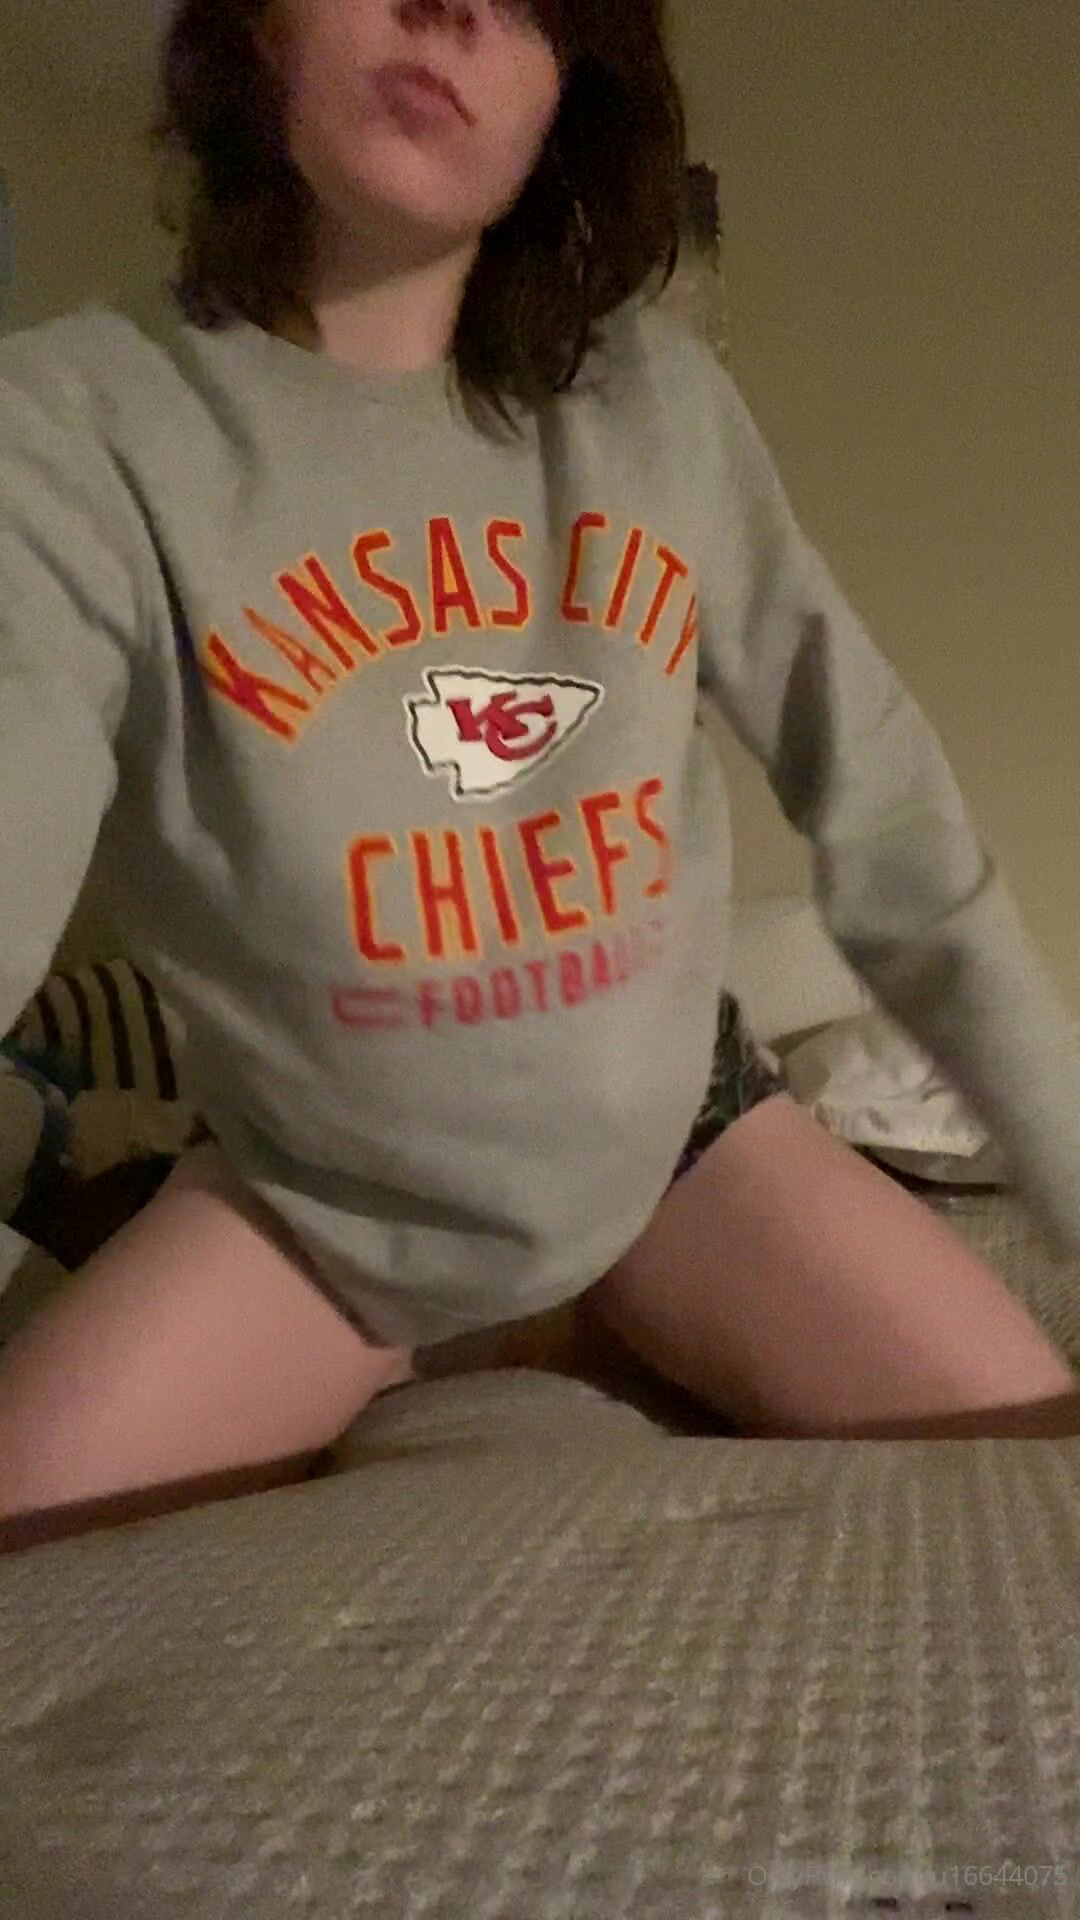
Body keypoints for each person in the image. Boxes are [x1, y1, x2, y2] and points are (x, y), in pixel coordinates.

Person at [2, 0, 1080, 1548]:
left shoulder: (662, 403)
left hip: (680, 1149)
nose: (453, 8)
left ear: (569, 95)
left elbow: (892, 816)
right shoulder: (70, 428)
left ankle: (580, 1314)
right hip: (322, 1202)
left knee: (1039, 1466)